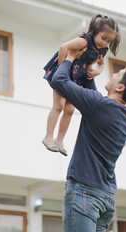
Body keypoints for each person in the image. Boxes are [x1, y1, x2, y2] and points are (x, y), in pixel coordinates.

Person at [50, 50, 126, 232]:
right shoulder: (125, 116)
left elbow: (59, 81)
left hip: (84, 193)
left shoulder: (99, 106)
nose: (112, 74)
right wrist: (89, 74)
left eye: (117, 73)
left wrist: (70, 57)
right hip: (105, 198)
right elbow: (93, 101)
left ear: (120, 87)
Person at [42, 14, 120, 156]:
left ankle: (59, 140)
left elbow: (101, 64)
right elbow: (63, 47)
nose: (104, 43)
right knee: (59, 106)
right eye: (103, 38)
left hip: (78, 77)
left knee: (70, 109)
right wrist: (62, 69)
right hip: (66, 70)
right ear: (96, 31)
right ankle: (48, 137)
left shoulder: (102, 50)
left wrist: (97, 72)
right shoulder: (84, 42)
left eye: (108, 41)